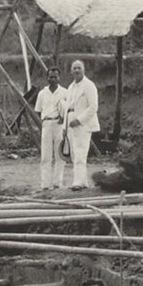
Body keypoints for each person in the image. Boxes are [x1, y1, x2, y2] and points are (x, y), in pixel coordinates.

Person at [63, 60, 100, 190]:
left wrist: (79, 120)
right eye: (74, 68)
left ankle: (78, 181)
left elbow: (93, 107)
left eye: (79, 68)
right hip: (70, 121)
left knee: (80, 152)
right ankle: (82, 181)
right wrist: (64, 127)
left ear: (83, 70)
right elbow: (67, 108)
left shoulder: (89, 85)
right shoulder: (70, 87)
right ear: (71, 71)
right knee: (74, 153)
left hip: (83, 123)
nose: (77, 70)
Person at [33, 67, 69, 190]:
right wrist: (42, 123)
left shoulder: (65, 92)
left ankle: (57, 182)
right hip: (47, 124)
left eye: (55, 77)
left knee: (59, 155)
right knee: (45, 156)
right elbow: (37, 110)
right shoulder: (42, 93)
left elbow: (69, 110)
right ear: (47, 78)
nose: (53, 79)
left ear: (59, 78)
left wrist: (64, 119)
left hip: (59, 124)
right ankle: (45, 184)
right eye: (50, 77)